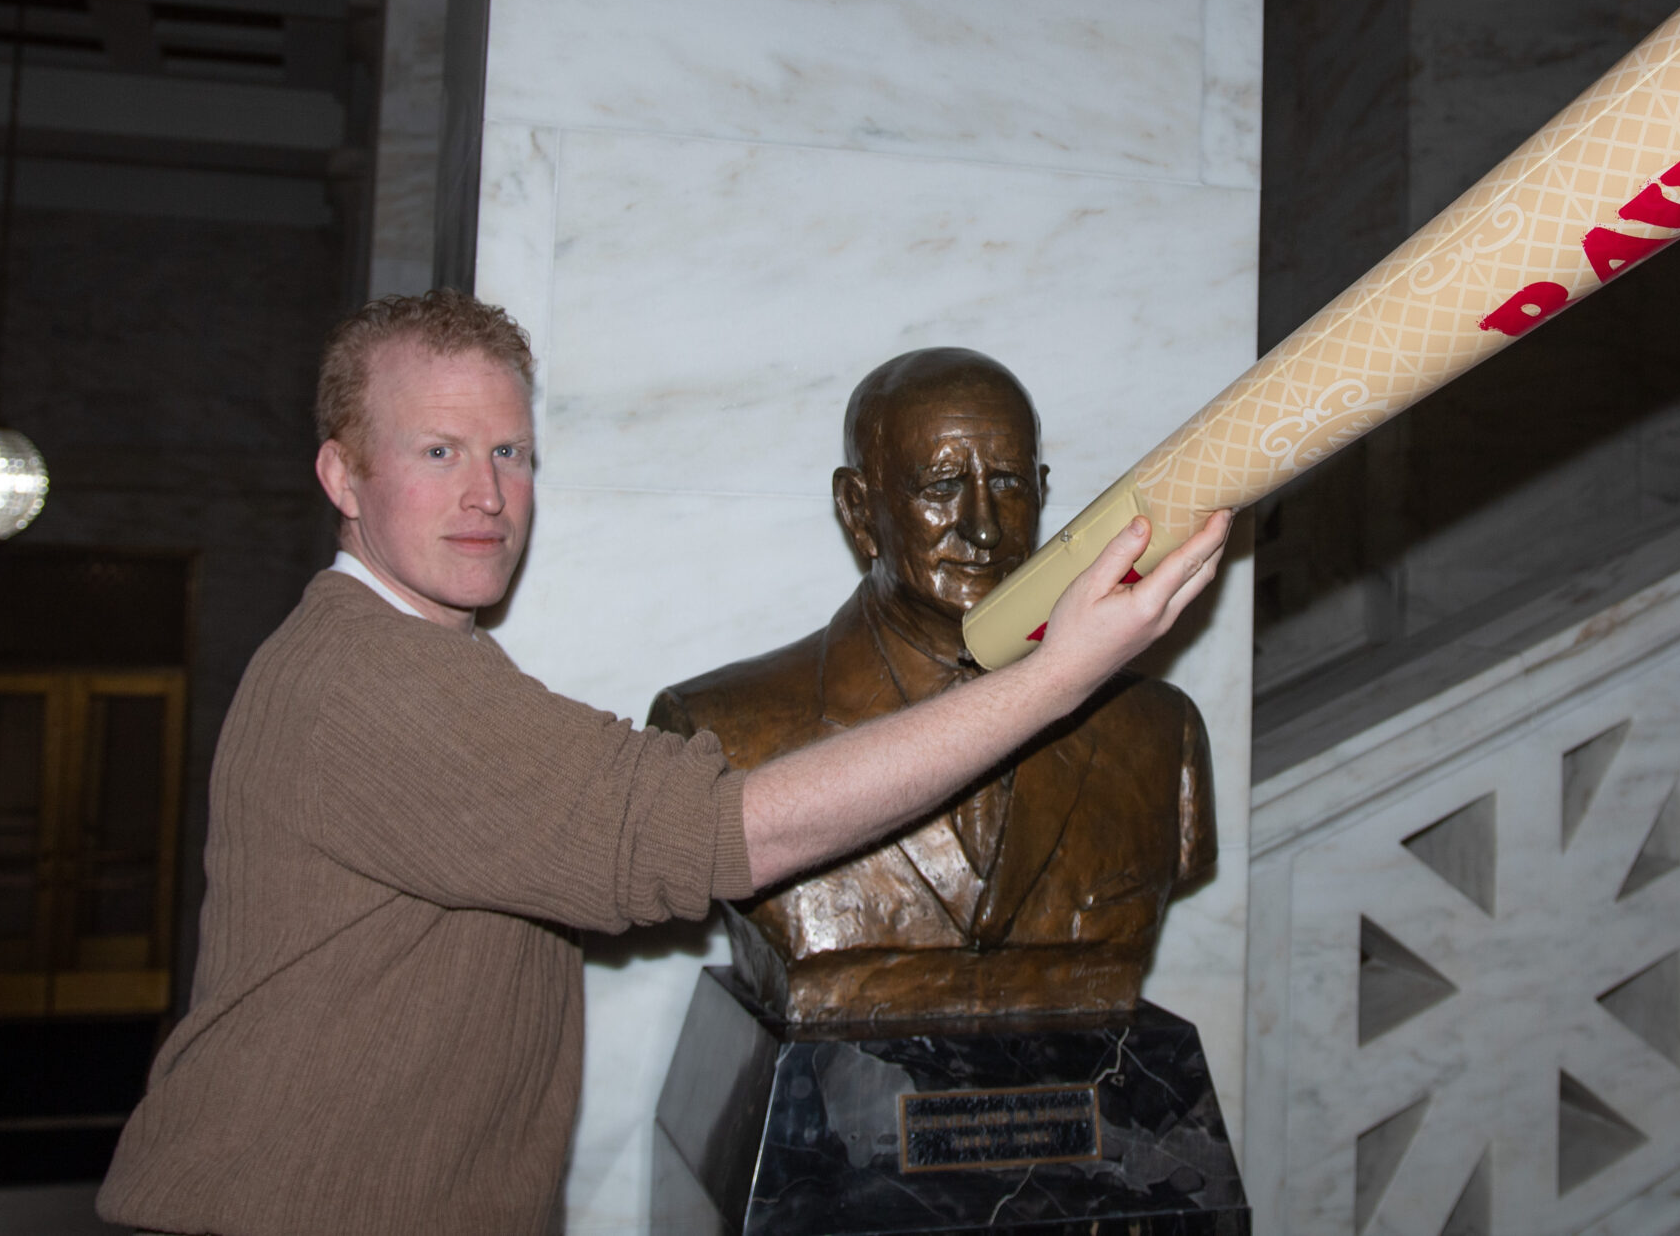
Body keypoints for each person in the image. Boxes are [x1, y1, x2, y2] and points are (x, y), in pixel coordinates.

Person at [96, 293, 1228, 1236]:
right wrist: (1053, 679)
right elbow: (705, 834)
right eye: (437, 452)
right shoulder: (369, 680)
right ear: (343, 478)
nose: (486, 493)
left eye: (509, 453)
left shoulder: (433, 662)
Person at [652, 348, 1213, 1023]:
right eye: (942, 485)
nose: (984, 526)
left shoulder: (1160, 734)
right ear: (859, 509)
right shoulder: (715, 734)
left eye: (1008, 482)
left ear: (1041, 491)